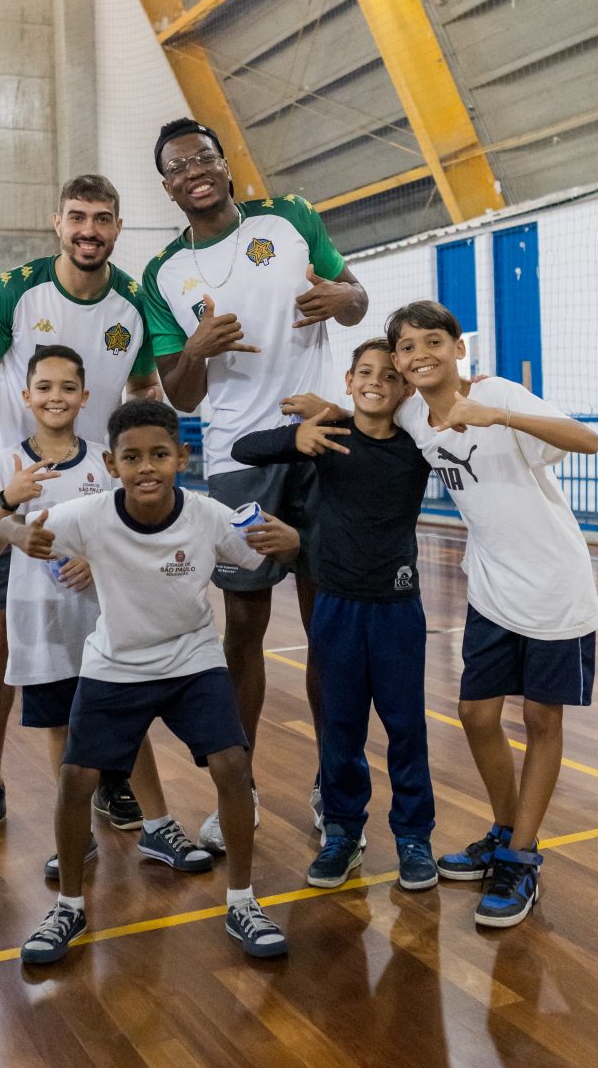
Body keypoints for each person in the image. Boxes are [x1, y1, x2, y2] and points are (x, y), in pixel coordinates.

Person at [0, 400, 298, 963]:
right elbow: (6, 527)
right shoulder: (88, 515)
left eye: (159, 454)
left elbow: (261, 555)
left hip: (193, 659)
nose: (146, 467)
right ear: (112, 465)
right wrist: (17, 533)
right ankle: (68, 907)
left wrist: (292, 542)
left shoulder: (207, 514)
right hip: (117, 663)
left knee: (233, 766)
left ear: (181, 457)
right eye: (132, 457)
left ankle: (242, 901)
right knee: (76, 779)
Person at [142, 116, 369, 850]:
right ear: (168, 187)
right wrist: (197, 351)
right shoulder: (162, 274)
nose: (194, 172)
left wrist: (344, 301)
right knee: (243, 626)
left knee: (327, 625)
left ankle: (336, 791)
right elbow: (181, 395)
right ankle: (237, 791)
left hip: (321, 442)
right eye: (178, 167)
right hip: (240, 462)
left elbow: (356, 297)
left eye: (203, 158)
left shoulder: (292, 217)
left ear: (225, 165)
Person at [0, 174, 161, 846]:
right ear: (57, 223)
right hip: (13, 493)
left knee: (108, 640)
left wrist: (141, 441)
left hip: (94, 497)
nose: (88, 230)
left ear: (118, 227)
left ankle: (112, 774)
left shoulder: (134, 302)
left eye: (102, 218)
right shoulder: (17, 289)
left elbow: (143, 385)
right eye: (77, 217)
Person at [386, 300, 598, 927]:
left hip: (554, 585)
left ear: (458, 348)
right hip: (490, 587)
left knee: (539, 718)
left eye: (433, 341)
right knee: (476, 714)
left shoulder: (497, 392)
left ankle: (522, 857)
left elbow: (586, 440)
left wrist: (498, 415)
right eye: (407, 346)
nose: (420, 354)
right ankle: (506, 831)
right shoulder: (411, 413)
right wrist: (328, 409)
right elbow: (370, 410)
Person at [232, 339, 438, 893]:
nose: (376, 382)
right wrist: (294, 437)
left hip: (397, 609)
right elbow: (245, 449)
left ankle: (414, 838)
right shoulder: (327, 439)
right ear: (348, 381)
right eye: (364, 372)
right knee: (341, 728)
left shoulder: (417, 446)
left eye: (389, 376)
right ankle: (343, 833)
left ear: (406, 389)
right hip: (336, 606)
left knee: (406, 729)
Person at [0, 345, 183, 880]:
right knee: (61, 730)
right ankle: (77, 836)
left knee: (130, 724)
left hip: (104, 626)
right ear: (26, 396)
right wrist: (8, 501)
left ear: (85, 397)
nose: (56, 397)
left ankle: (159, 826)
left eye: (68, 388)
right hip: (42, 628)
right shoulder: (6, 464)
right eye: (44, 388)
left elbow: (129, 531)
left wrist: (96, 558)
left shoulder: (102, 462)